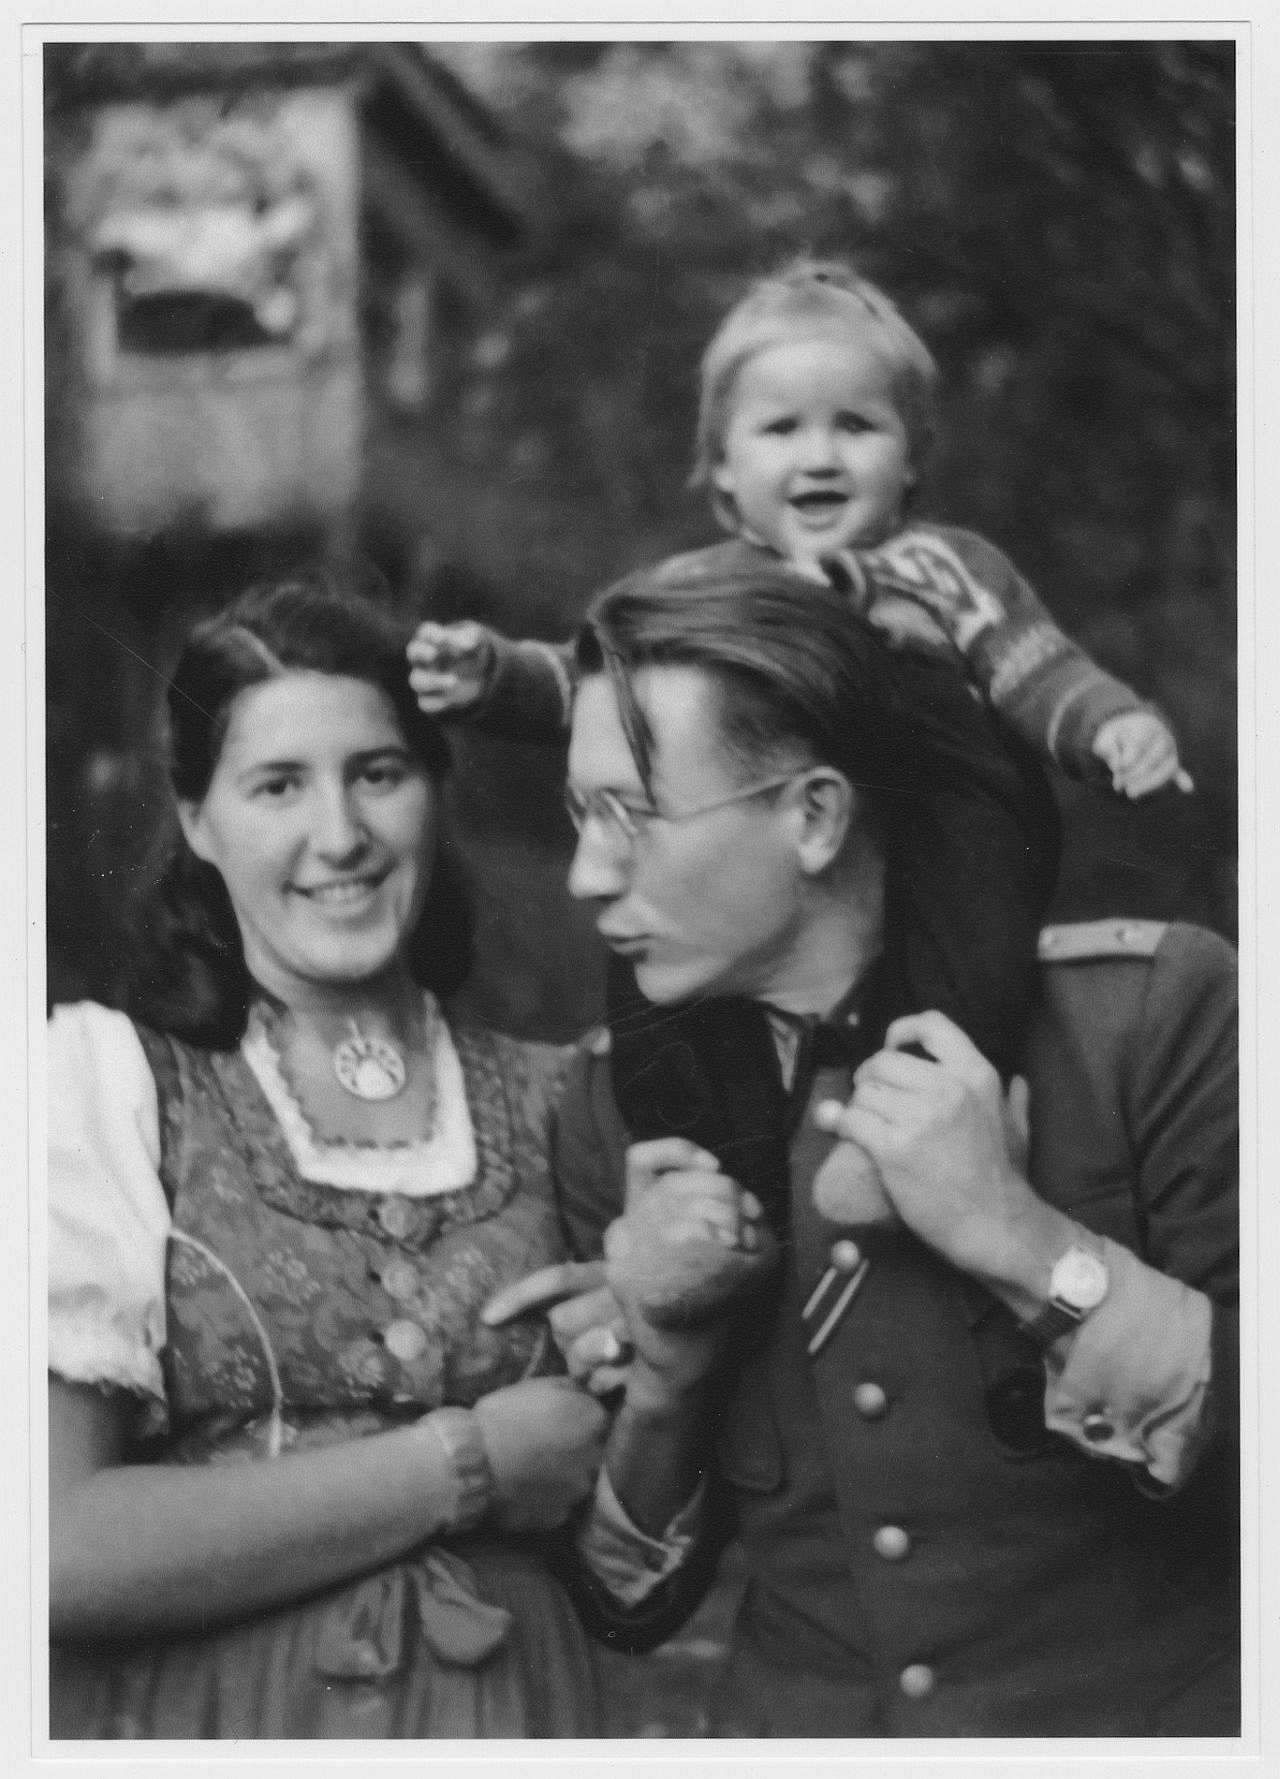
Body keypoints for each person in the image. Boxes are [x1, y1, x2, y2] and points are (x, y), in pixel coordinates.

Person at [489, 561, 1238, 1737]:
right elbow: (625, 1598)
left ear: (817, 815)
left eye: (630, 816)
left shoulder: (1147, 1020)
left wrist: (1026, 1245)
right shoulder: (620, 1111)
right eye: (580, 817)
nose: (588, 875)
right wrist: (671, 1367)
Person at [47, 576, 629, 1740]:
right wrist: (459, 1464)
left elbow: (648, 1560)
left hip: (520, 1719)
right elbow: (50, 1552)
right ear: (199, 820)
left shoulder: (573, 1096)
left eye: (378, 773)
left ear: (434, 791)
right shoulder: (102, 1088)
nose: (340, 837)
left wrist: (658, 1342)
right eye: (276, 786)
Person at [406, 256, 1186, 1116]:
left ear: (912, 458)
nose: (820, 456)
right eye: (781, 430)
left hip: (936, 823)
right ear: (725, 470)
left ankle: (933, 1104)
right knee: (651, 919)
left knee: (976, 944)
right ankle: (692, 1153)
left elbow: (1036, 669)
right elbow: (593, 684)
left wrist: (1112, 728)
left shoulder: (943, 567)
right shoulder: (703, 585)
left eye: (856, 425)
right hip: (766, 853)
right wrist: (495, 676)